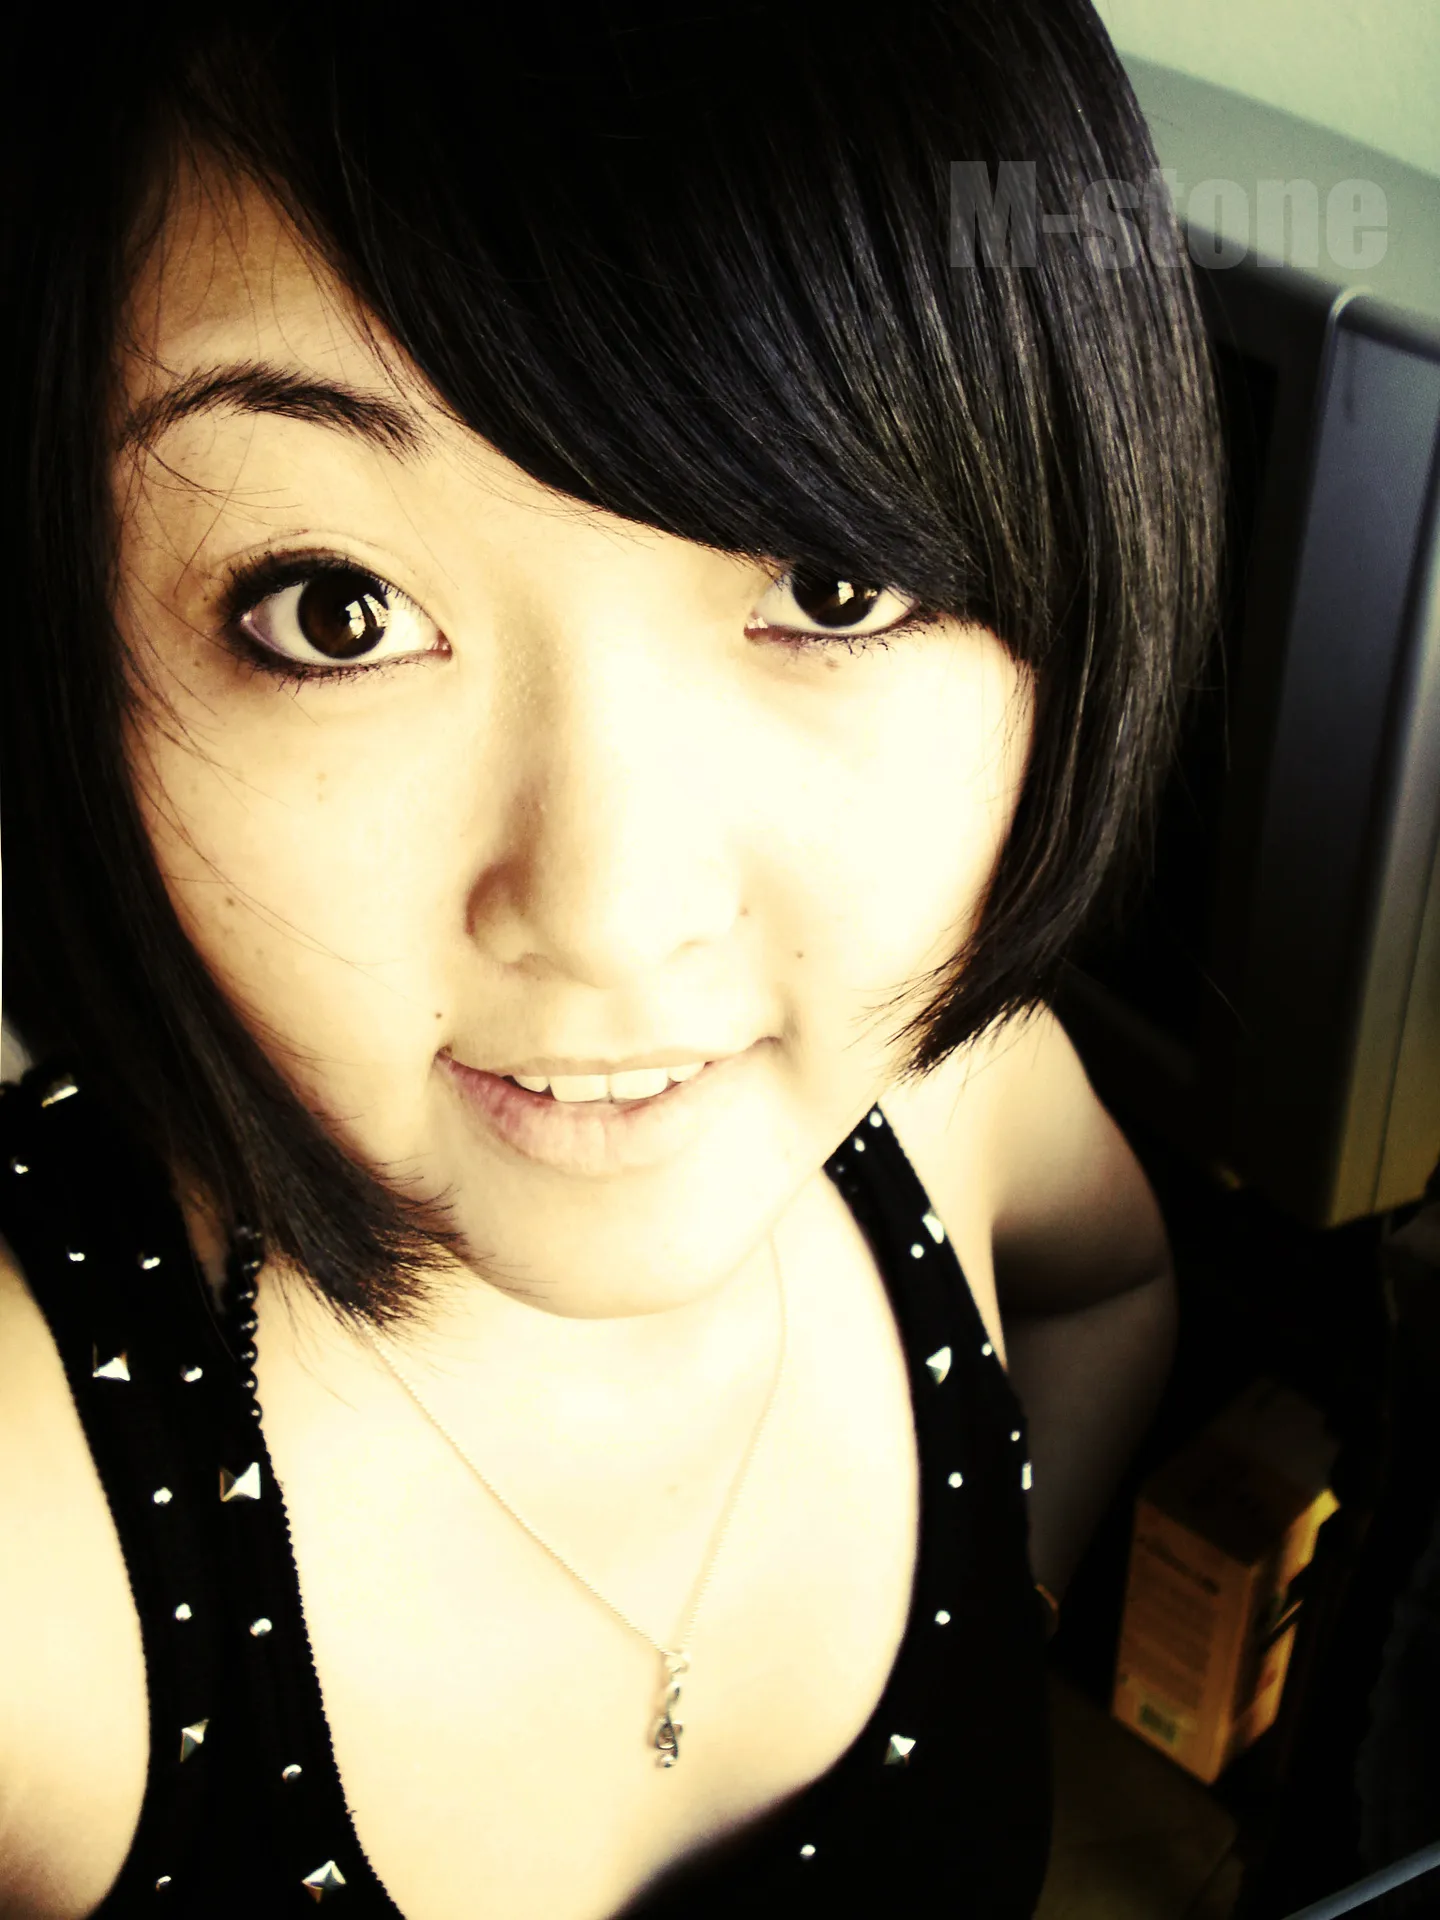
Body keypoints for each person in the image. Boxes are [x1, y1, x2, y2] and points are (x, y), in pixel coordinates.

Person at [0, 1, 1221, 1914]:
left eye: (830, 583)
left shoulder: (949, 1093)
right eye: (334, 610)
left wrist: (1007, 1605)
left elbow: (1111, 1290)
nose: (609, 914)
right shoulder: (34, 1542)